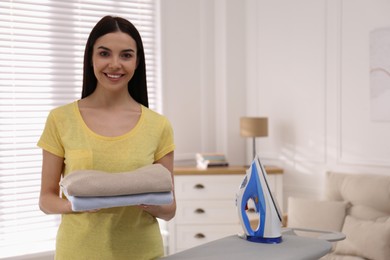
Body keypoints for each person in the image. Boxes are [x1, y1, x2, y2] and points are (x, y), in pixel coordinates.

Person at [37, 15, 176, 260]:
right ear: (91, 58)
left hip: (143, 253)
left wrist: (145, 200)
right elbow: (46, 199)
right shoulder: (61, 119)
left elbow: (169, 209)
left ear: (137, 62)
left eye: (126, 55)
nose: (115, 64)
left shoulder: (158, 125)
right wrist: (76, 205)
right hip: (78, 253)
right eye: (104, 53)